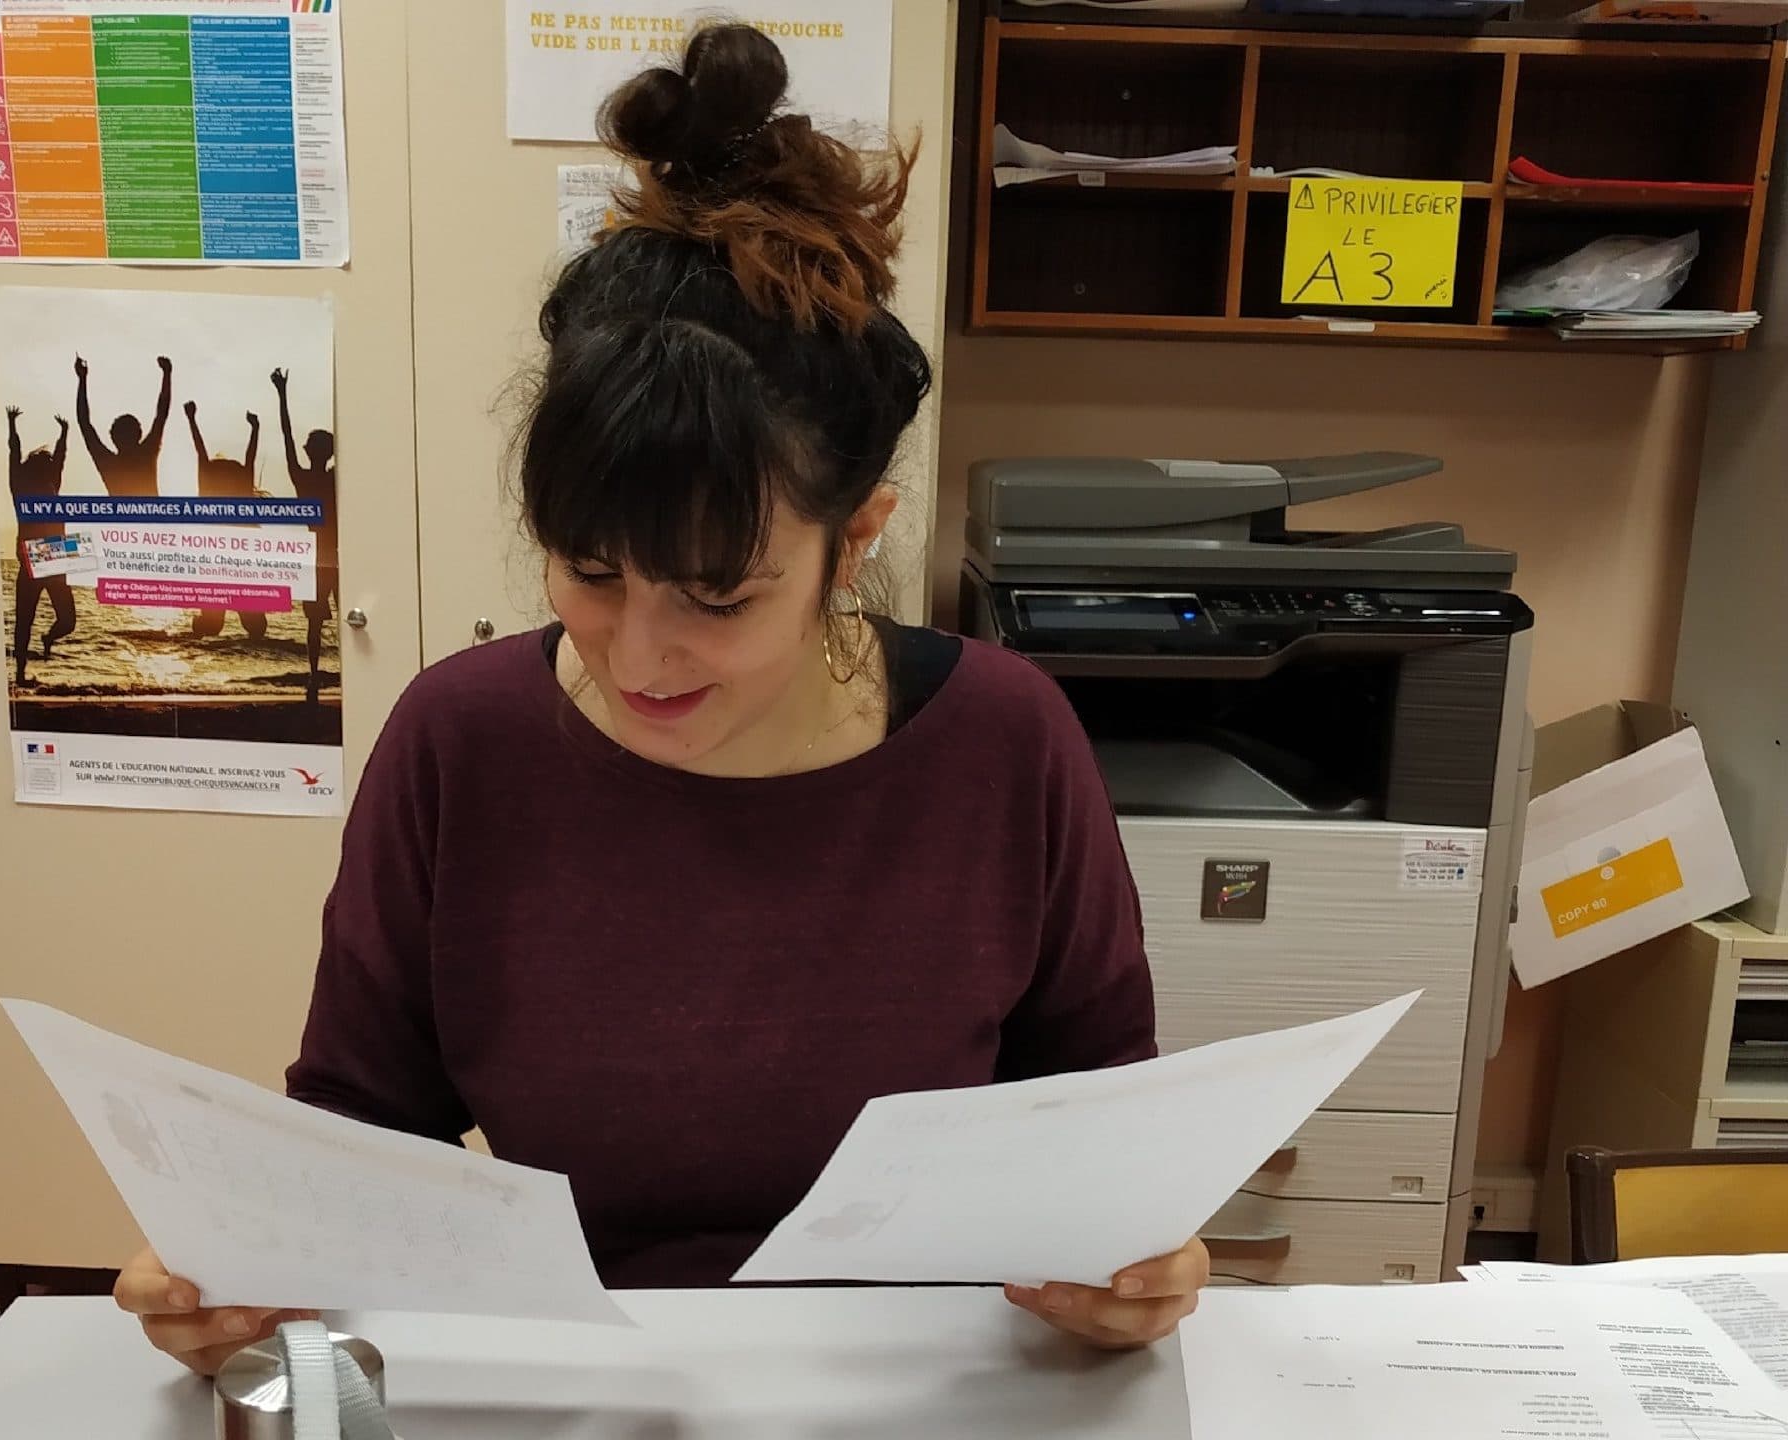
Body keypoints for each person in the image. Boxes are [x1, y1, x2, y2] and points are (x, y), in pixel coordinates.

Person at [113, 24, 1205, 1378]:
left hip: (930, 1386)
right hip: (579, 1382)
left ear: (851, 543)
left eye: (717, 595)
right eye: (589, 572)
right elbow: (360, 1128)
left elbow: (1102, 1131)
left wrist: (1144, 1261)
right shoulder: (461, 744)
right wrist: (245, 1262)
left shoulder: (1003, 745)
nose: (638, 655)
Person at [270, 367, 337, 703]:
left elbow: (286, 435)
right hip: (330, 556)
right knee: (327, 622)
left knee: (316, 624)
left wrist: (282, 394)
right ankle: (315, 676)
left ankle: (314, 677)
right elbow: (286, 434)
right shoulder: (332, 478)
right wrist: (282, 395)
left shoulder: (306, 477)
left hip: (320, 558)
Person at [183, 401, 269, 642]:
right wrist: (255, 429)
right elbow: (248, 459)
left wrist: (191, 419)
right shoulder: (234, 491)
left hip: (222, 561)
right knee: (251, 627)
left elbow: (201, 453)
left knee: (217, 626)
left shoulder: (211, 489)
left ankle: (198, 634)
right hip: (232, 562)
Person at [6, 406, 75, 687]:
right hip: (32, 557)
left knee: (68, 621)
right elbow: (13, 454)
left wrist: (64, 433)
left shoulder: (53, 487)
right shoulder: (20, 488)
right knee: (24, 620)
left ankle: (48, 639)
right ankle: (20, 674)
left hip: (58, 555)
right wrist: (11, 426)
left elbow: (60, 460)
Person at [75, 354, 172, 497]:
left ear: (113, 437)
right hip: (150, 519)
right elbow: (161, 414)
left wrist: (82, 379)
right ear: (138, 434)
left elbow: (84, 423)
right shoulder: (146, 454)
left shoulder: (108, 463)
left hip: (122, 519)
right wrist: (167, 374)